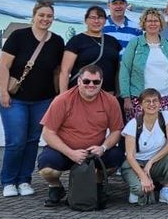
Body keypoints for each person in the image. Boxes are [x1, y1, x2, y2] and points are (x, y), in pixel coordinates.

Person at [0, 0, 65, 198]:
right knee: (16, 140)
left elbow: (58, 71)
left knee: (33, 140)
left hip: (43, 100)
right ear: (34, 16)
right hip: (16, 99)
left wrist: (59, 96)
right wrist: (4, 92)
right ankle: (9, 181)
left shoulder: (57, 41)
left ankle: (25, 180)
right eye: (41, 15)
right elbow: (4, 66)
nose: (45, 19)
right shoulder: (19, 36)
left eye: (49, 16)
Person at [37, 65, 125, 207]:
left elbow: (116, 131)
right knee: (47, 169)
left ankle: (96, 183)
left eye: (96, 82)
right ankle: (56, 187)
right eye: (86, 81)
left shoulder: (111, 101)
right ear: (79, 81)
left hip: (94, 153)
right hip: (65, 150)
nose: (91, 85)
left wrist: (103, 147)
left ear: (102, 82)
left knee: (116, 157)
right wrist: (70, 153)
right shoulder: (62, 100)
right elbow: (48, 133)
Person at [121, 88, 168, 205]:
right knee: (141, 192)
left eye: (155, 101)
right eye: (147, 101)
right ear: (140, 105)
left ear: (160, 103)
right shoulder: (133, 124)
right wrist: (143, 176)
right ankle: (137, 187)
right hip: (136, 164)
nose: (152, 104)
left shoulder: (166, 117)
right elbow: (130, 156)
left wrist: (151, 162)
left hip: (155, 163)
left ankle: (166, 189)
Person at [119, 8, 168, 122]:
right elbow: (125, 69)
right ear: (144, 23)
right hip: (140, 99)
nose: (152, 24)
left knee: (163, 134)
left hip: (166, 99)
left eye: (156, 21)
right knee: (138, 134)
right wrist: (126, 98)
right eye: (149, 21)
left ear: (161, 24)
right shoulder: (135, 43)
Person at [59, 6, 121, 94]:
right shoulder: (76, 41)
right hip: (81, 93)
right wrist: (63, 97)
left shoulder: (113, 41)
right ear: (86, 20)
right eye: (93, 18)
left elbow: (116, 70)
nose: (96, 21)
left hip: (107, 95)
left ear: (105, 21)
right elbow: (65, 71)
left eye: (100, 17)